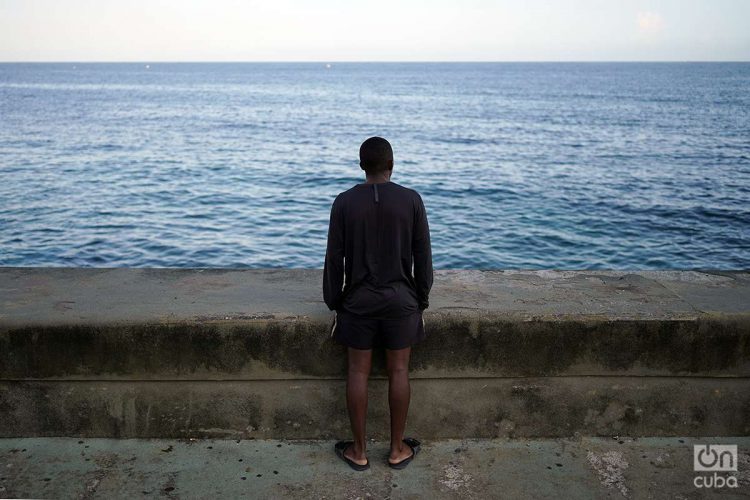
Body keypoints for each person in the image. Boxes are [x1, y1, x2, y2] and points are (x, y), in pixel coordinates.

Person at [324, 136, 434, 471]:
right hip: (401, 301)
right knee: (399, 370)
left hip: (358, 302)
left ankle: (358, 452)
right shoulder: (411, 200)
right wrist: (421, 299)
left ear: (361, 166)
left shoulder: (343, 203)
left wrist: (335, 302)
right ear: (391, 164)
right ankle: (397, 449)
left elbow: (334, 261)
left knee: (357, 370)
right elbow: (423, 258)